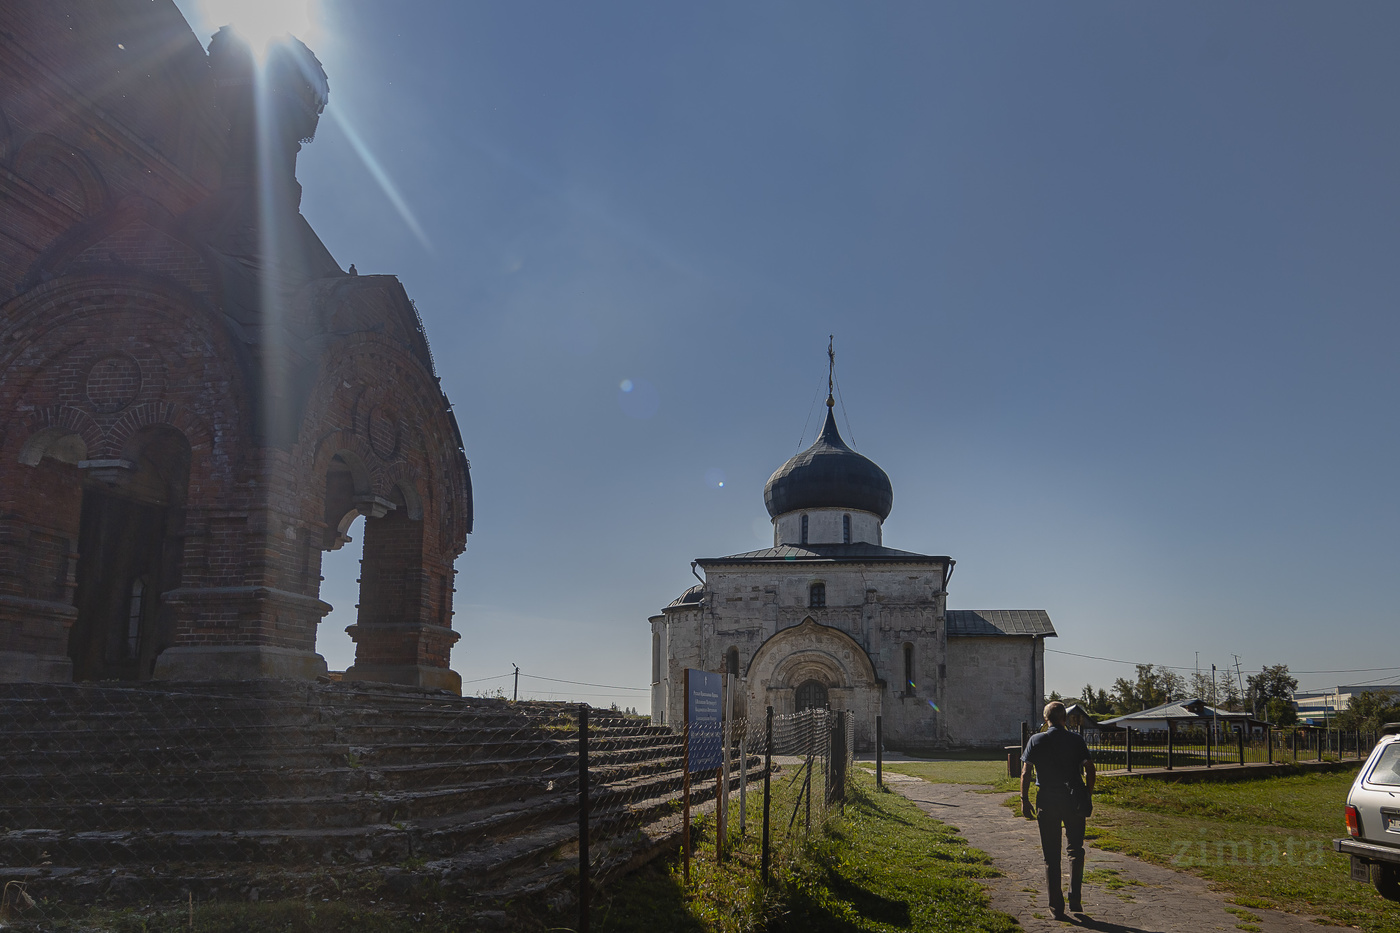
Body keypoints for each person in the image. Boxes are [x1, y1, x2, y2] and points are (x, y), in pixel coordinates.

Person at [1021, 701, 1096, 916]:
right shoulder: (1076, 740)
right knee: (1075, 850)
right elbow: (1090, 768)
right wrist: (1087, 793)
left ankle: (1056, 906)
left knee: (1051, 855)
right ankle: (1075, 899)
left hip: (1047, 799)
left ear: (1046, 719)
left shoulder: (1036, 740)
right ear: (1065, 718)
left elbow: (1026, 772)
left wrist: (1024, 799)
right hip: (1073, 798)